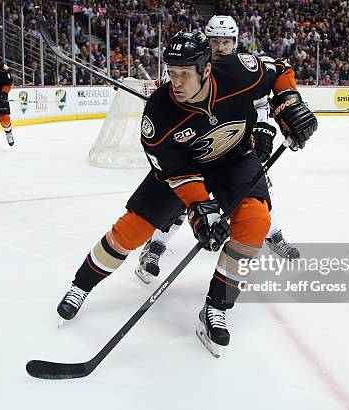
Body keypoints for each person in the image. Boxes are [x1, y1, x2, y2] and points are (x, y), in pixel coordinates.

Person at [55, 32, 317, 357]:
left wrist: (289, 102)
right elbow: (175, 173)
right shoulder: (159, 113)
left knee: (255, 222)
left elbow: (279, 72)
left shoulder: (237, 73)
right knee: (132, 229)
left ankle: (215, 307)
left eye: (184, 74)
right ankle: (80, 286)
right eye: (172, 72)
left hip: (234, 159)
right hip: (184, 170)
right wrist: (199, 209)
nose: (175, 82)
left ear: (206, 70)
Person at [135, 16, 301, 285]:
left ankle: (273, 235)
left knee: (251, 193)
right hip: (194, 154)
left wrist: (262, 129)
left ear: (235, 42)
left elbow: (260, 103)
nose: (221, 47)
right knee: (181, 204)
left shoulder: (239, 68)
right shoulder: (190, 66)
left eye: (226, 42)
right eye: (215, 42)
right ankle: (154, 247)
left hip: (233, 147)